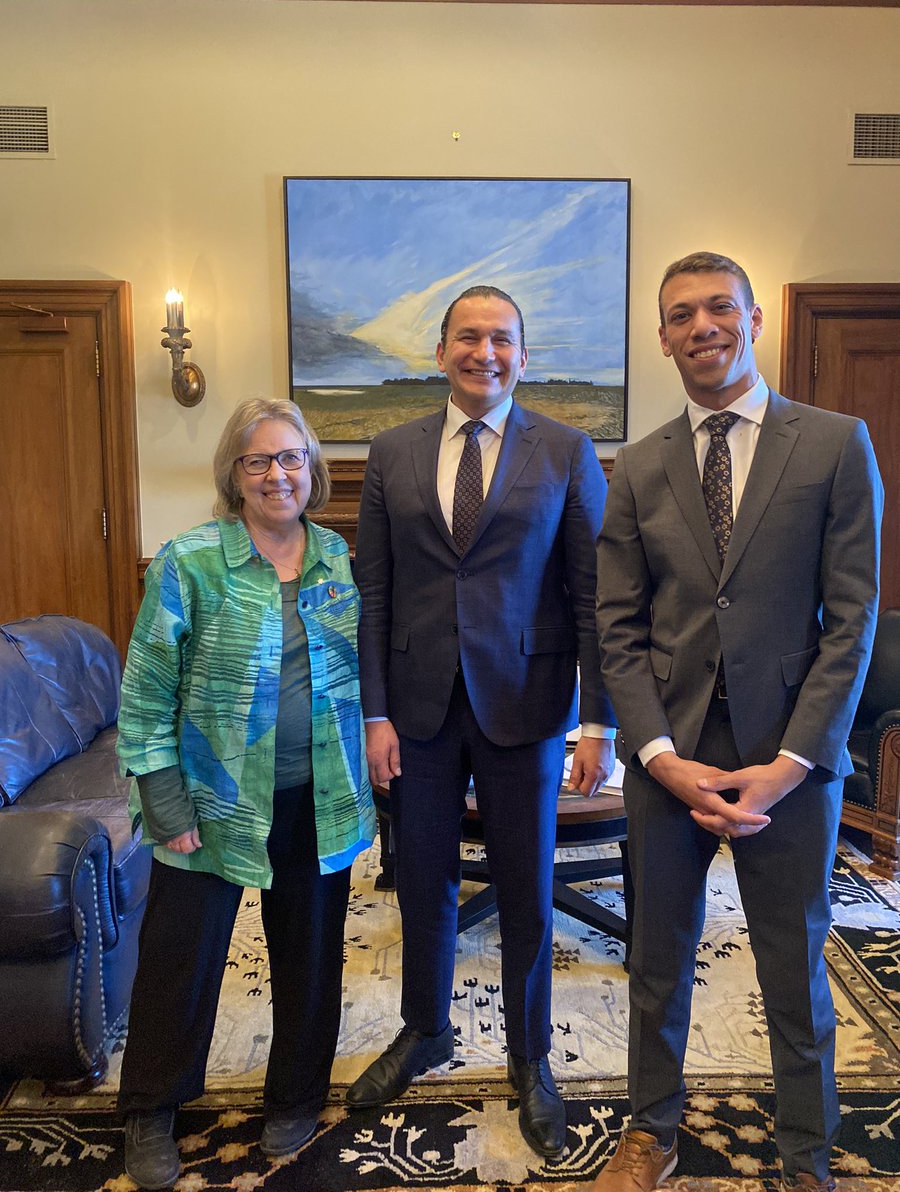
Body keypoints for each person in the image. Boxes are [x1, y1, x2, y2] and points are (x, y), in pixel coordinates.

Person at [593, 252, 883, 1192]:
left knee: (793, 963)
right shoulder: (636, 467)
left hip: (788, 757)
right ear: (665, 336)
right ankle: (652, 1132)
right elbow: (618, 627)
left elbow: (853, 617)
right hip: (670, 759)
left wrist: (797, 759)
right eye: (682, 315)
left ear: (755, 320)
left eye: (721, 307)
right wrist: (661, 756)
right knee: (657, 962)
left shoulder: (836, 443)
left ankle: (804, 1152)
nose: (702, 326)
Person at [349, 285, 617, 1157]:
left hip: (527, 707)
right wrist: (375, 713)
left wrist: (596, 724)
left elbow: (592, 597)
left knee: (528, 894)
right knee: (422, 883)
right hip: (417, 712)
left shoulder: (569, 451)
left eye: (502, 339)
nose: (485, 352)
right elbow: (376, 593)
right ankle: (426, 1030)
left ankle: (530, 1059)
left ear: (523, 356)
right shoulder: (389, 453)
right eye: (469, 337)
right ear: (441, 351)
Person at [116, 398, 375, 1190]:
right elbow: (147, 690)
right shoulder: (188, 562)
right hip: (212, 803)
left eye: (291, 458)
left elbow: (364, 678)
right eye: (258, 460)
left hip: (318, 798)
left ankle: (295, 1096)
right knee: (180, 960)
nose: (277, 474)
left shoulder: (338, 557)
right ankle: (151, 1110)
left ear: (313, 469)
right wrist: (163, 799)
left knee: (311, 954)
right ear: (234, 473)